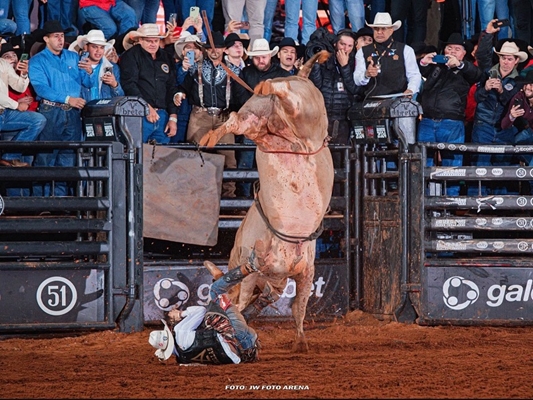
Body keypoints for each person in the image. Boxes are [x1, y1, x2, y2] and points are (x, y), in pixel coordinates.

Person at [149, 256, 260, 364]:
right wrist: (180, 314)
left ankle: (265, 300)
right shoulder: (180, 330)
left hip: (247, 354)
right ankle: (250, 266)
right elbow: (200, 311)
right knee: (215, 291)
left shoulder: (182, 358)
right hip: (240, 336)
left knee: (224, 321)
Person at [416, 33, 482, 197]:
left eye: (457, 49)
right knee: (423, 162)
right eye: (449, 48)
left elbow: (477, 74)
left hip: (451, 122)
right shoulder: (435, 66)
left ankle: (451, 201)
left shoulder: (466, 69)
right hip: (427, 120)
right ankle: (425, 202)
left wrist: (459, 64)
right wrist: (424, 62)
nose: (452, 51)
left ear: (463, 53)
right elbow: (417, 75)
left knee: (452, 165)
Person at [175, 31, 240, 197]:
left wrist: (235, 112)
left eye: (217, 47)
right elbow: (183, 87)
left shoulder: (233, 70)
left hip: (223, 117)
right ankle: (196, 196)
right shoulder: (195, 69)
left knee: (228, 158)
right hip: (200, 115)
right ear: (205, 50)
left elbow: (240, 95)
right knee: (195, 156)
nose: (214, 51)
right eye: (210, 48)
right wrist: (179, 94)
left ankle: (228, 198)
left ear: (224, 49)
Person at [29, 20, 86, 197]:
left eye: (61, 36)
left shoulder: (73, 56)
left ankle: (60, 201)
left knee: (67, 158)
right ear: (46, 39)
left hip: (72, 112)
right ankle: (40, 202)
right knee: (46, 157)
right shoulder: (37, 61)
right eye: (56, 36)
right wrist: (68, 98)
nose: (60, 40)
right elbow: (41, 88)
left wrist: (89, 73)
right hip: (52, 110)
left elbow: (86, 81)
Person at [469, 21, 526, 195]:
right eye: (503, 58)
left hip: (503, 129)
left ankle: (502, 206)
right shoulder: (487, 73)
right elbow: (482, 56)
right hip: (483, 125)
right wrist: (487, 34)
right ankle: (476, 205)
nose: (505, 62)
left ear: (516, 61)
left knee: (503, 169)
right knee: (479, 167)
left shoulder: (519, 81)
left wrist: (502, 91)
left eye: (509, 59)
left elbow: (513, 104)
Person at [232, 38, 290, 197]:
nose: (260, 60)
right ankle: (244, 199)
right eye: (257, 57)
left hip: (275, 129)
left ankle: (275, 198)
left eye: (263, 56)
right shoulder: (245, 73)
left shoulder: (283, 75)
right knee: (246, 161)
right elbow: (239, 100)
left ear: (270, 56)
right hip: (252, 126)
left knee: (275, 165)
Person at [120, 23, 178, 144]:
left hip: (163, 115)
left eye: (156, 40)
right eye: (149, 41)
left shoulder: (166, 57)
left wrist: (173, 117)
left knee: (161, 157)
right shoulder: (131, 56)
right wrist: (146, 107)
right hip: (138, 115)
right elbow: (129, 85)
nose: (153, 44)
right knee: (136, 154)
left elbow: (171, 87)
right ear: (140, 40)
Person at [0, 41, 47, 169]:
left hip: (4, 113)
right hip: (8, 109)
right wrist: (16, 105)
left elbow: (19, 87)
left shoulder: (3, 64)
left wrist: (24, 74)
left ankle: (9, 157)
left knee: (38, 120)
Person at [309, 29, 359, 146]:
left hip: (343, 119)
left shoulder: (355, 63)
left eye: (349, 46)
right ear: (335, 44)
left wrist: (345, 67)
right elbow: (316, 86)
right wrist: (316, 64)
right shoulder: (326, 60)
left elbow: (355, 89)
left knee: (340, 158)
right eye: (342, 44)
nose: (345, 49)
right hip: (322, 117)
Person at [70, 30, 124, 102]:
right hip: (82, 110)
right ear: (86, 47)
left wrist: (115, 85)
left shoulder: (113, 68)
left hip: (104, 111)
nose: (98, 51)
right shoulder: (76, 66)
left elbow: (120, 99)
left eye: (101, 47)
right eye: (95, 47)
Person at [171, 31, 202, 143]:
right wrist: (184, 69)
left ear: (201, 51)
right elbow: (173, 87)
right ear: (183, 51)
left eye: (196, 47)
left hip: (201, 116)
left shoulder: (206, 68)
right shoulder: (174, 68)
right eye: (188, 47)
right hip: (181, 114)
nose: (192, 50)